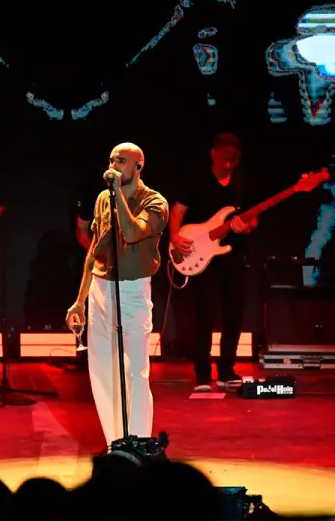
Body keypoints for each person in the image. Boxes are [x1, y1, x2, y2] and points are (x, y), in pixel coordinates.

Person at [65, 142, 169, 446]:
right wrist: (79, 301)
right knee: (102, 369)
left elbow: (134, 232)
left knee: (135, 370)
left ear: (138, 167)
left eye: (121, 161)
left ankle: (137, 443)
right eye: (111, 160)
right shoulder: (101, 199)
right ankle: (115, 444)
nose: (113, 166)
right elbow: (95, 251)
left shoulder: (154, 202)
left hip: (133, 290)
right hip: (101, 287)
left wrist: (118, 197)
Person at [169, 132, 258, 392]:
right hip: (203, 258)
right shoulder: (196, 179)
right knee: (205, 316)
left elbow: (253, 220)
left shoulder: (243, 184)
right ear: (213, 154)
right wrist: (175, 236)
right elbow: (178, 210)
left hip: (233, 257)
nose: (228, 164)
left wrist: (246, 227)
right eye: (223, 158)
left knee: (234, 314)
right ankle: (203, 374)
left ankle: (227, 370)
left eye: (233, 159)